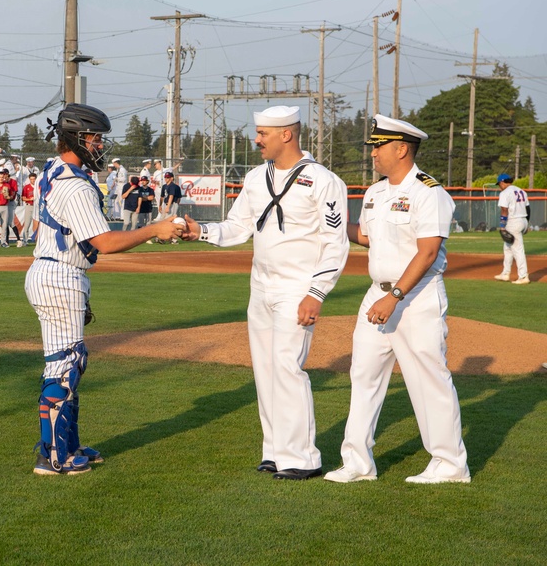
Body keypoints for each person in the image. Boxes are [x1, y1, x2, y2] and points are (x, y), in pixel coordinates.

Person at [181, 105, 350, 480]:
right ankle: (275, 450)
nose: (256, 140)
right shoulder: (257, 177)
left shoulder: (323, 180)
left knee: (289, 368)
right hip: (261, 286)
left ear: (286, 134)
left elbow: (336, 243)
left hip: (297, 288)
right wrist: (202, 233)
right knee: (266, 370)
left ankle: (302, 458)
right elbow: (238, 226)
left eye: (263, 134)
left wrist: (317, 292)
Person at [26, 103, 184, 475]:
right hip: (59, 273)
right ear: (76, 138)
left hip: (54, 271)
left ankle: (67, 445)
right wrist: (154, 229)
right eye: (94, 138)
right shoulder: (75, 185)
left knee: (68, 362)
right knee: (66, 366)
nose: (99, 145)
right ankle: (54, 457)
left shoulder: (52, 170)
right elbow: (104, 242)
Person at [323, 115, 470, 485]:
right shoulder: (375, 193)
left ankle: (450, 464)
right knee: (364, 375)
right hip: (378, 292)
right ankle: (357, 461)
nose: (372, 153)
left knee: (428, 379)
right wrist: (331, 224)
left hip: (415, 297)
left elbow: (427, 251)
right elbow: (369, 238)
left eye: (378, 146)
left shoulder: (428, 192)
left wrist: (396, 297)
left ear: (401, 148)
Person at [494, 173, 530, 285]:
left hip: (513, 222)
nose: (499, 186)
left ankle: (523, 276)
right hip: (523, 220)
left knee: (517, 249)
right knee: (508, 247)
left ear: (502, 182)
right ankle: (505, 273)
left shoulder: (505, 192)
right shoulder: (521, 191)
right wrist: (527, 224)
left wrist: (502, 225)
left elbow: (504, 210)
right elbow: (528, 209)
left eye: (499, 184)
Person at [20, 170, 37, 246]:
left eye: (34, 179)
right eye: (31, 179)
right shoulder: (26, 187)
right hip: (29, 206)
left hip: (37, 206)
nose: (33, 181)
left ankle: (38, 240)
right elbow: (23, 198)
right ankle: (25, 240)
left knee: (37, 225)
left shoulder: (39, 186)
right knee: (27, 224)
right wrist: (30, 199)